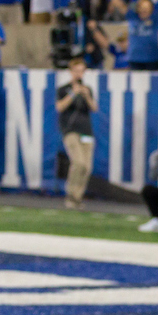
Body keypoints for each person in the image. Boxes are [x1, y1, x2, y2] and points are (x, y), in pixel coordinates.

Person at [54, 57, 96, 209]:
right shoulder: (63, 89)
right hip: (70, 130)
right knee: (78, 162)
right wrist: (73, 94)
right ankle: (71, 195)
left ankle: (78, 197)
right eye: (76, 71)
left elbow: (94, 108)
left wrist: (86, 95)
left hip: (86, 132)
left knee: (86, 167)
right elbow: (59, 107)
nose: (79, 74)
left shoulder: (87, 89)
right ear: (71, 72)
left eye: (81, 71)